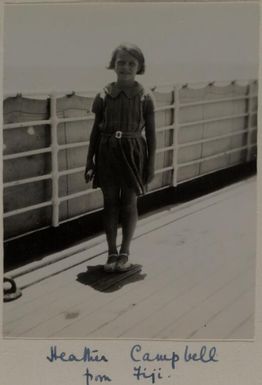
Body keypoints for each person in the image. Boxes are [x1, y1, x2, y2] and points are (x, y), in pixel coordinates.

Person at [85, 43, 156, 272]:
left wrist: (151, 165)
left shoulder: (145, 96)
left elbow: (153, 135)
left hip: (134, 152)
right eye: (121, 62)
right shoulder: (104, 95)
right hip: (106, 152)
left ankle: (125, 251)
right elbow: (95, 131)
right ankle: (111, 252)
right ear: (113, 65)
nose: (125, 67)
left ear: (139, 67)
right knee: (109, 203)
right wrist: (89, 161)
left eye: (131, 63)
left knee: (129, 202)